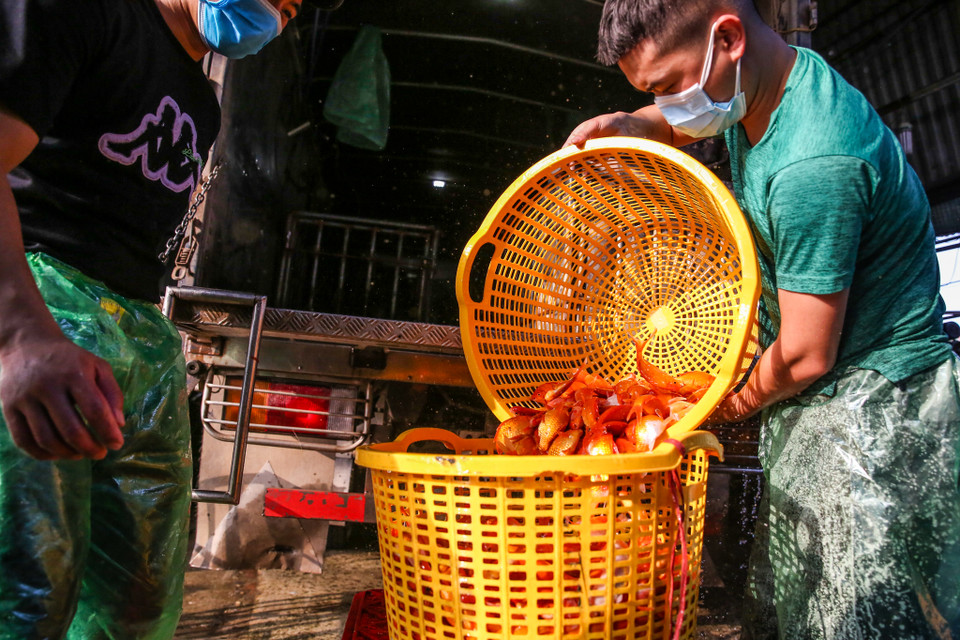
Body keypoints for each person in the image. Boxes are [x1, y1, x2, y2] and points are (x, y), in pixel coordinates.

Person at [565, 1, 960, 638]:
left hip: (872, 411)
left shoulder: (814, 163)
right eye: (647, 90)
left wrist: (707, 407)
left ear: (728, 38)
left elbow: (805, 354)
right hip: (821, 394)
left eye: (666, 86)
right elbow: (681, 119)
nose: (666, 103)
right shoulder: (762, 85)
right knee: (792, 603)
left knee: (855, 617)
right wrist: (628, 120)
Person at [0, 0, 301, 636]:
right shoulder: (81, 13)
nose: (279, 14)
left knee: (135, 600)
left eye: (291, 8)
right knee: (26, 588)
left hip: (131, 343)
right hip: (36, 320)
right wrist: (20, 335)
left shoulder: (202, 102)